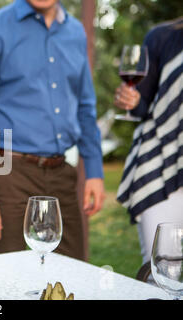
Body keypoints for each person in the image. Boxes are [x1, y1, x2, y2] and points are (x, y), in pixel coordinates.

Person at [0, 0, 105, 260]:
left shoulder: (75, 33)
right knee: (7, 277)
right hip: (10, 175)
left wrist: (94, 170)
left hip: (62, 174)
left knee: (72, 273)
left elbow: (85, 106)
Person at [115, 17, 183, 265]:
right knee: (163, 270)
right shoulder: (163, 37)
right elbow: (143, 104)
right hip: (163, 168)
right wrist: (131, 102)